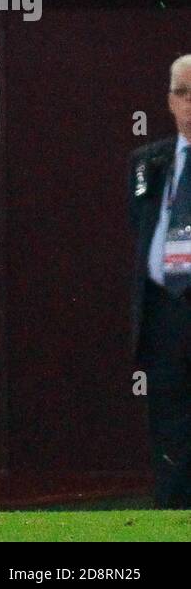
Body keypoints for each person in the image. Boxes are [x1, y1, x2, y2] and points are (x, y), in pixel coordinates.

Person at [128, 54, 191, 508]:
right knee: (168, 426)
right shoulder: (146, 163)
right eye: (182, 93)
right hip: (164, 311)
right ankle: (170, 520)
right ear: (170, 101)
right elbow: (142, 229)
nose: (190, 103)